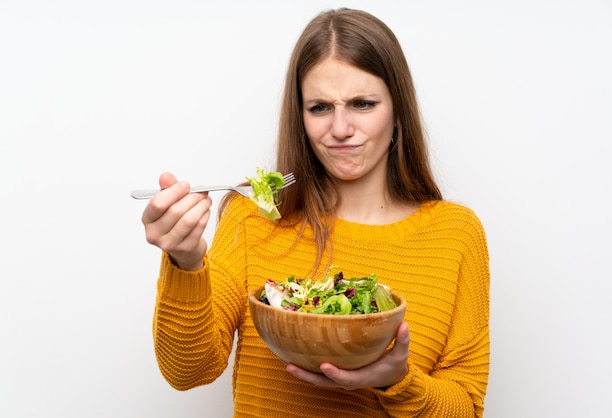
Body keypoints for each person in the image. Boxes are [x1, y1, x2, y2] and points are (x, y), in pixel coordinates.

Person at [140, 8, 490, 417]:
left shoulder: (455, 234)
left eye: (362, 103)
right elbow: (188, 371)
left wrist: (396, 381)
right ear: (300, 116)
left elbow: (466, 407)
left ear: (397, 112)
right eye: (320, 107)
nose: (340, 129)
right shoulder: (254, 218)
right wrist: (186, 262)